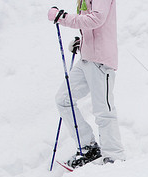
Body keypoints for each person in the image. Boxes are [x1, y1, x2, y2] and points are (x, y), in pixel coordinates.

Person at [48, 0, 125, 168]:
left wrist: (63, 18)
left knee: (103, 110)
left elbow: (96, 19)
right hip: (87, 58)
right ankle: (88, 148)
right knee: (63, 99)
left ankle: (115, 156)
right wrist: (82, 44)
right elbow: (91, 25)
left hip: (101, 60)